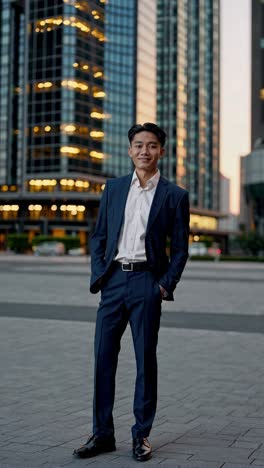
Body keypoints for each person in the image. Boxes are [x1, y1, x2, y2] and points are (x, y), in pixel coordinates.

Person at [73, 122, 189, 462]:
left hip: (146, 284)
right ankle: (102, 435)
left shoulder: (174, 195)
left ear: (161, 151)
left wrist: (164, 285)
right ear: (129, 149)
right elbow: (99, 237)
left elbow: (180, 249)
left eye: (152, 145)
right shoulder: (113, 188)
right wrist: (100, 275)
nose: (144, 151)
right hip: (113, 283)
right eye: (139, 145)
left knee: (144, 362)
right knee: (103, 359)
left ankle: (141, 435)